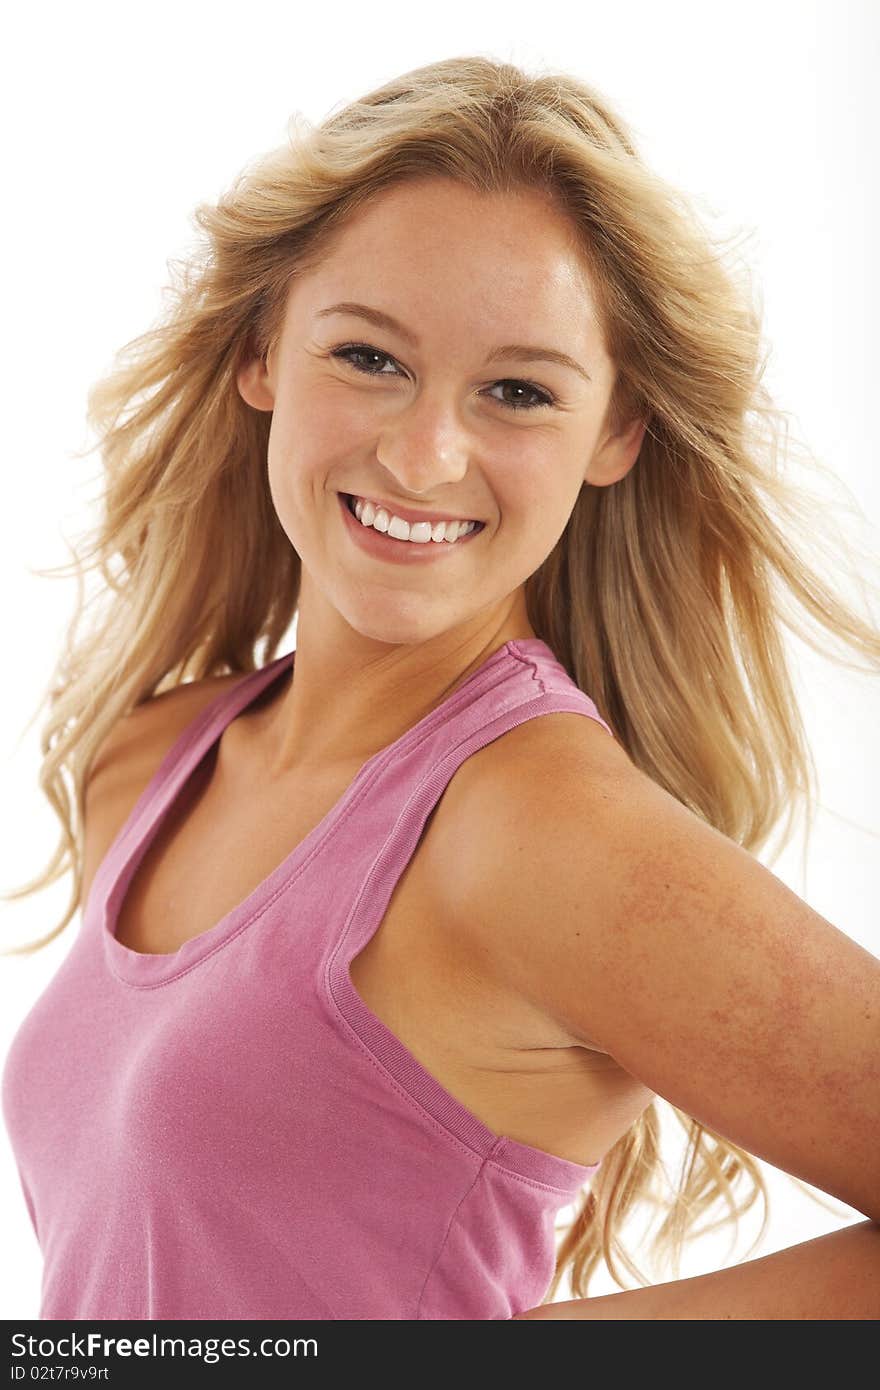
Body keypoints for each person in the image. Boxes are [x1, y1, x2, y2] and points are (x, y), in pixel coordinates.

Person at [1, 55, 878, 1322]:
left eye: (517, 390)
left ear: (615, 433)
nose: (424, 453)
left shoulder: (539, 830)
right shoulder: (149, 765)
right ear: (262, 353)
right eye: (369, 357)